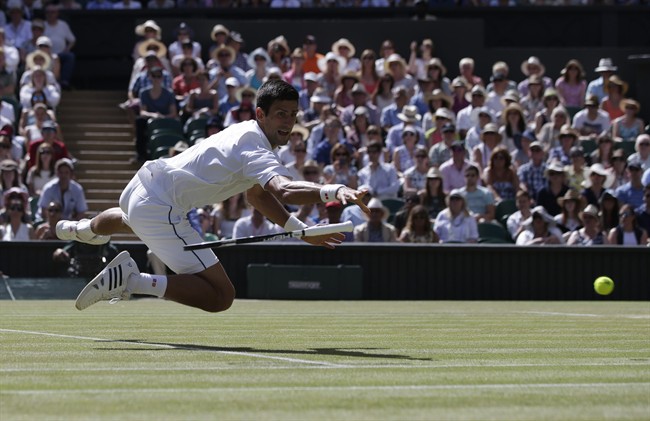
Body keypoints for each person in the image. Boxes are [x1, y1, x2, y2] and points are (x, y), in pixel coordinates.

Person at [55, 80, 369, 313]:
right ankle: (132, 280)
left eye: (293, 114)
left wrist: (299, 230)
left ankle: (81, 230)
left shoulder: (246, 132)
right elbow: (283, 190)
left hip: (141, 186)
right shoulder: (256, 147)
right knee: (221, 296)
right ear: (261, 114)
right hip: (160, 205)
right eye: (281, 114)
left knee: (133, 220)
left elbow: (257, 198)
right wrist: (336, 190)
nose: (288, 122)